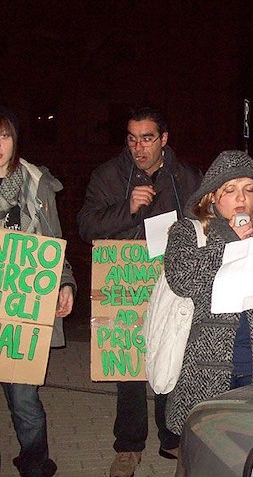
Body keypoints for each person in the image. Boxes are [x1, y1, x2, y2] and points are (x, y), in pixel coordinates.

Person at [77, 106, 202, 477]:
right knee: (129, 364)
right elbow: (85, 225)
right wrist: (127, 209)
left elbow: (206, 221)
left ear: (164, 139)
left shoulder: (186, 177)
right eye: (131, 139)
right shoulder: (108, 176)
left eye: (147, 138)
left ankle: (171, 436)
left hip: (170, 285)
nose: (138, 147)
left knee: (171, 356)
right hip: (125, 284)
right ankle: (129, 446)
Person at [163, 150, 253, 445]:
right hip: (208, 364)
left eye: (249, 190)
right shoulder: (189, 231)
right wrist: (228, 242)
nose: (241, 199)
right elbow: (181, 279)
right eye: (230, 190)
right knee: (211, 448)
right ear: (212, 196)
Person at [0, 106, 76, 477]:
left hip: (22, 310)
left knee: (23, 396)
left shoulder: (36, 184)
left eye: (4, 136)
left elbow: (54, 240)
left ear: (15, 139)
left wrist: (65, 282)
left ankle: (34, 462)